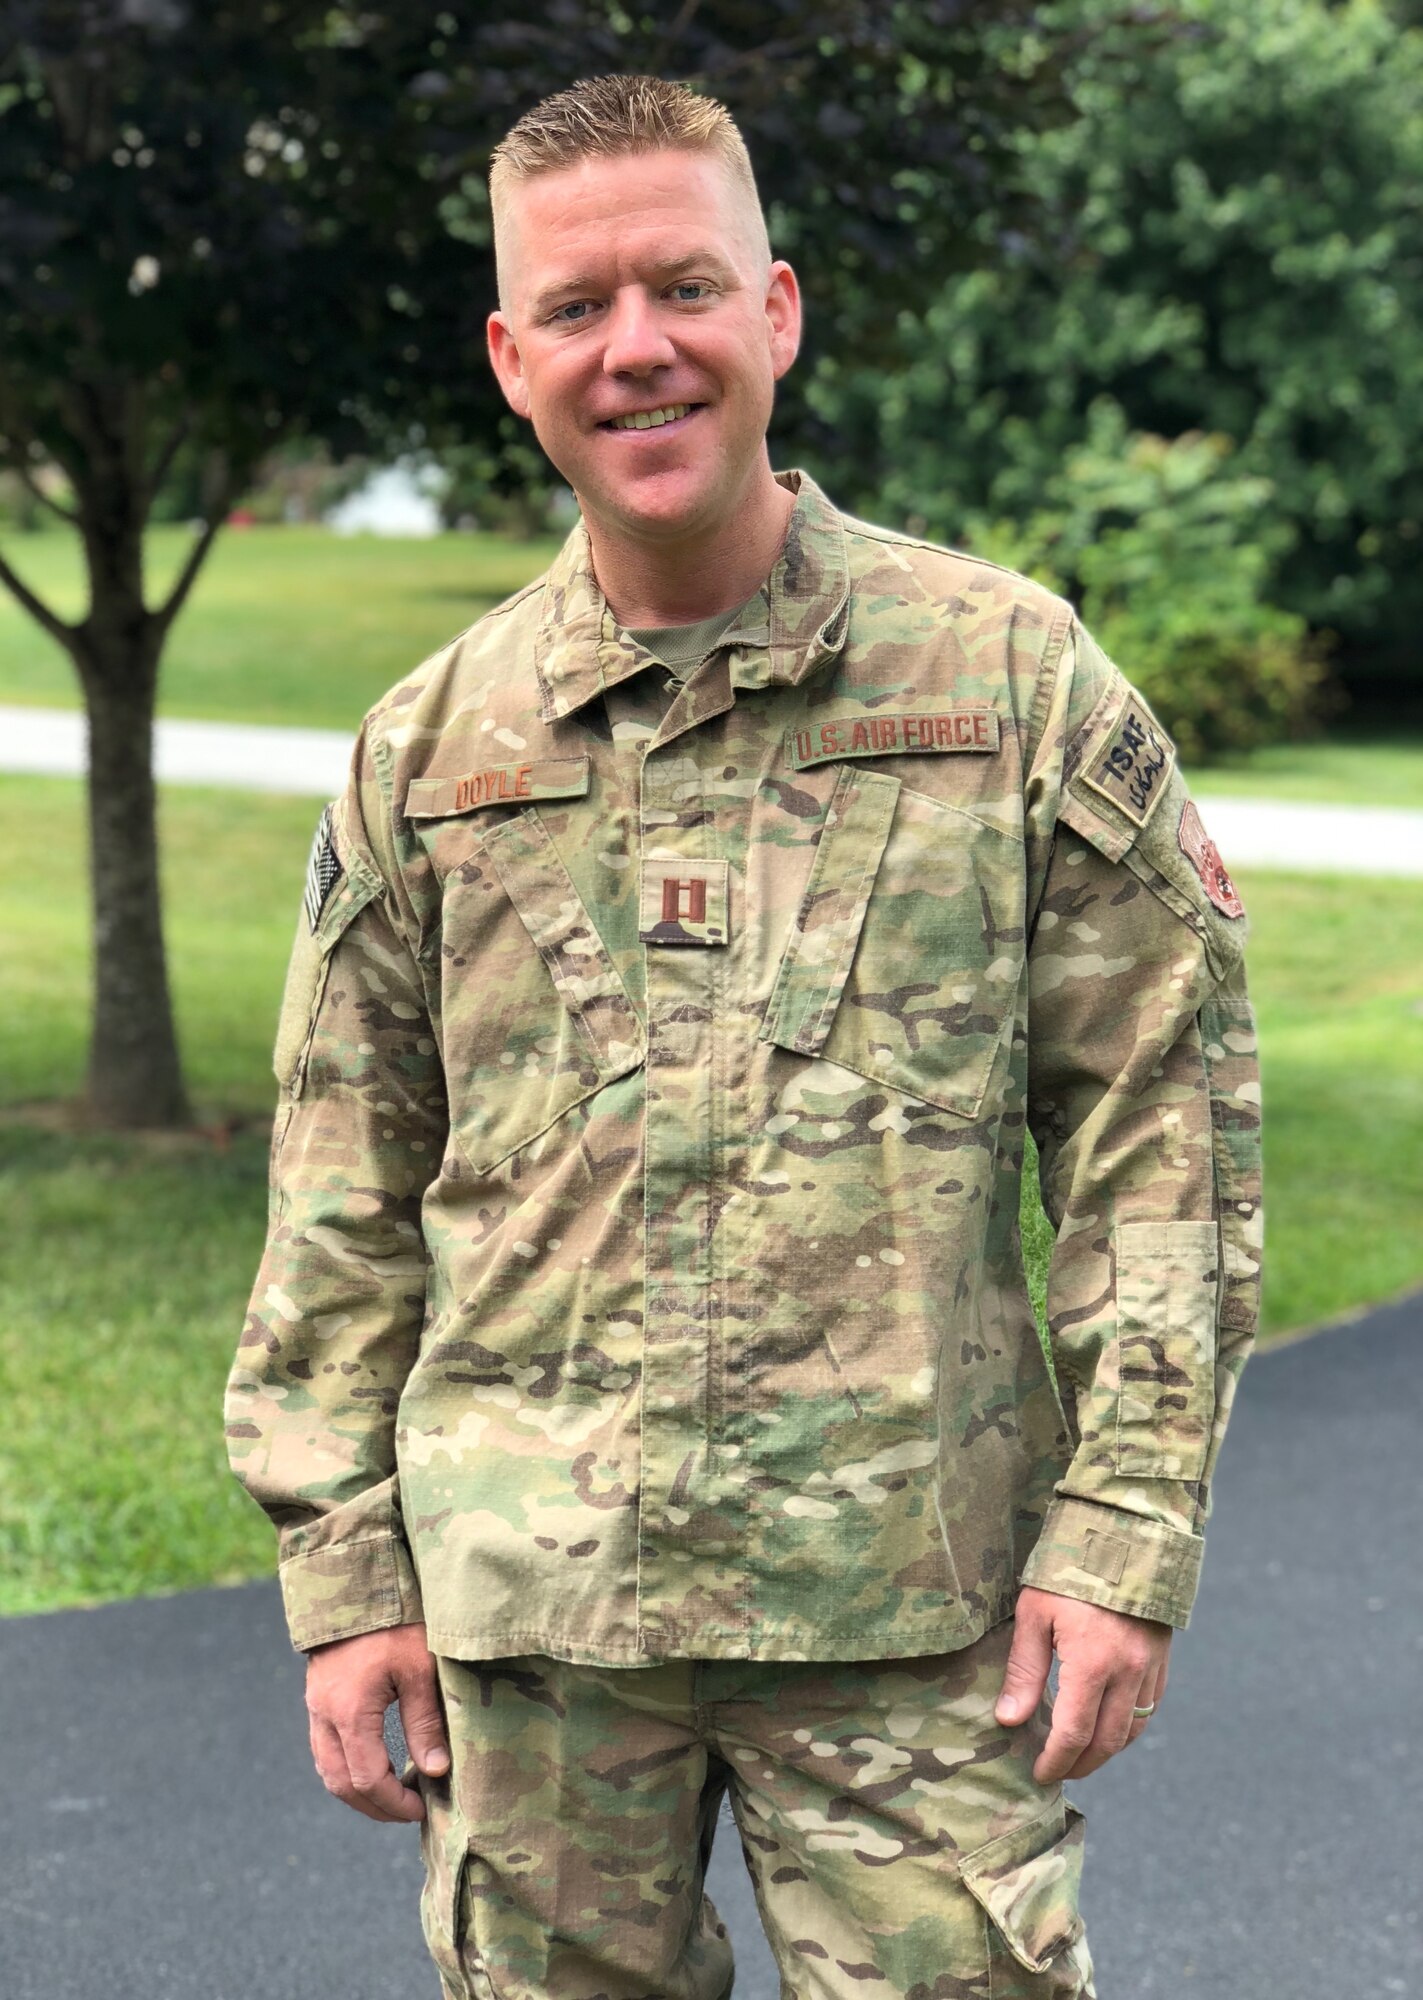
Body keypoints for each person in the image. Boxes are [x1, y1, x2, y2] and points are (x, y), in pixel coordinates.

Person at [225, 72, 1261, 2000]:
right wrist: (343, 1576)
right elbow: (339, 1193)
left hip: (911, 1613)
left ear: (775, 312)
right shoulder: (428, 755)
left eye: (685, 290)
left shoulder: (1009, 684)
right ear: (509, 357)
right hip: (532, 1636)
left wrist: (1121, 1535)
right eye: (579, 309)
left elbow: (1159, 1136)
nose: (640, 351)